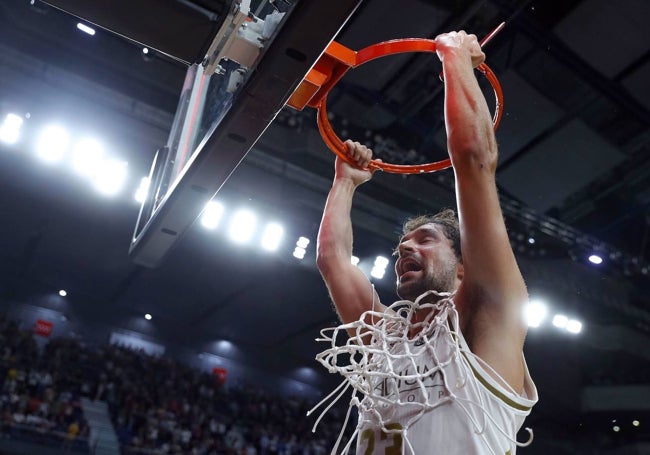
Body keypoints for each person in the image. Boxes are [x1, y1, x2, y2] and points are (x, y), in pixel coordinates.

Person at [314, 31, 538, 454]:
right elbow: (332, 259)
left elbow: (474, 162)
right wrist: (344, 182)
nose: (404, 249)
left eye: (426, 240)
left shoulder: (488, 319)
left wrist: (454, 57)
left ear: (463, 266)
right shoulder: (387, 339)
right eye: (402, 244)